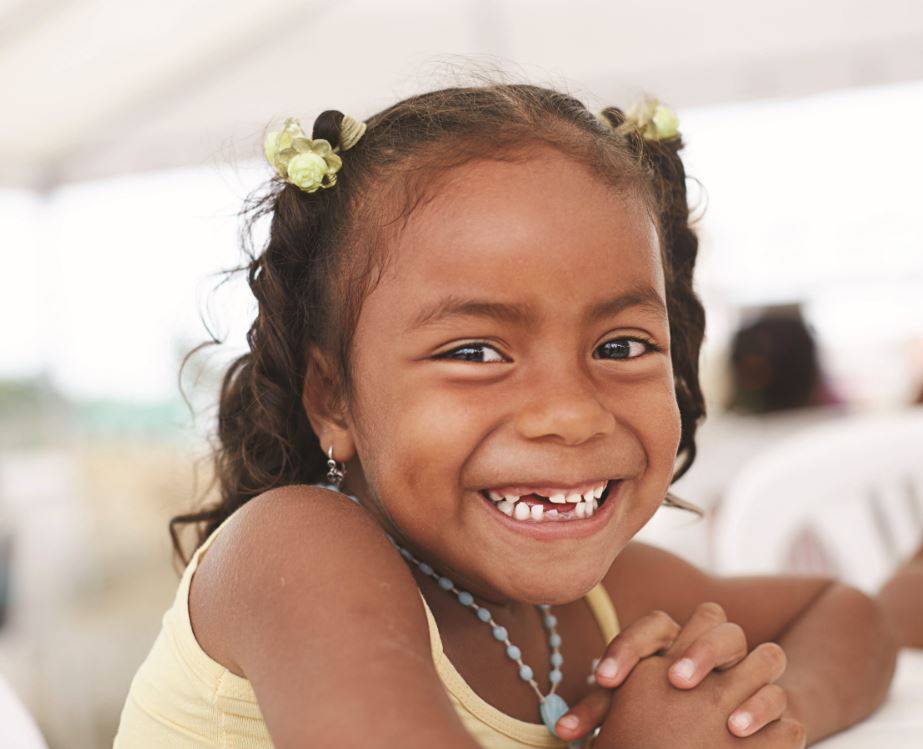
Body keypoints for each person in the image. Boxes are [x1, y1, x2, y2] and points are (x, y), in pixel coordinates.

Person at [114, 83, 901, 748]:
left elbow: (843, 614)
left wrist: (764, 710)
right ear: (333, 398)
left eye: (622, 345)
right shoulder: (298, 552)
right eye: (474, 352)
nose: (568, 413)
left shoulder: (600, 601)